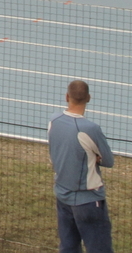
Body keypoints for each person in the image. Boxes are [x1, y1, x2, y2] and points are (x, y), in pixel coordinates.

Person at [48, 80, 114, 253]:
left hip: (62, 196)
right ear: (89, 98)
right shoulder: (90, 129)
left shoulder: (54, 121)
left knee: (68, 246)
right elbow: (108, 160)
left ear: (67, 97)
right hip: (88, 200)